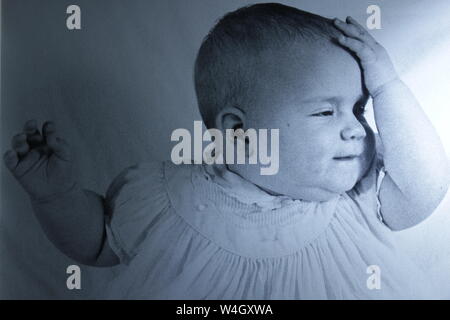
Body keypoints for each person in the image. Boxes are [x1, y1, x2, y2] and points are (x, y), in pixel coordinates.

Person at [3, 3, 449, 299]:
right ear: (238, 131)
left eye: (359, 108)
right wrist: (57, 197)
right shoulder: (163, 198)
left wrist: (389, 86)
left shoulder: (356, 201)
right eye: (324, 113)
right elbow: (100, 244)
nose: (355, 130)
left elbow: (427, 182)